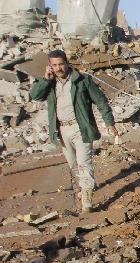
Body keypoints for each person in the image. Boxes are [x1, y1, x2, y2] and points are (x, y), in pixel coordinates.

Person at [29, 49, 119, 212]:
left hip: (80, 127)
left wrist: (109, 122)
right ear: (50, 66)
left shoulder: (82, 80)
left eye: (61, 64)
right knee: (73, 164)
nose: (58, 68)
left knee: (84, 162)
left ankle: (87, 199)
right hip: (61, 129)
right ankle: (84, 185)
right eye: (54, 65)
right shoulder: (50, 82)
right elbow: (35, 96)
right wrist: (45, 79)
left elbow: (101, 101)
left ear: (67, 63)